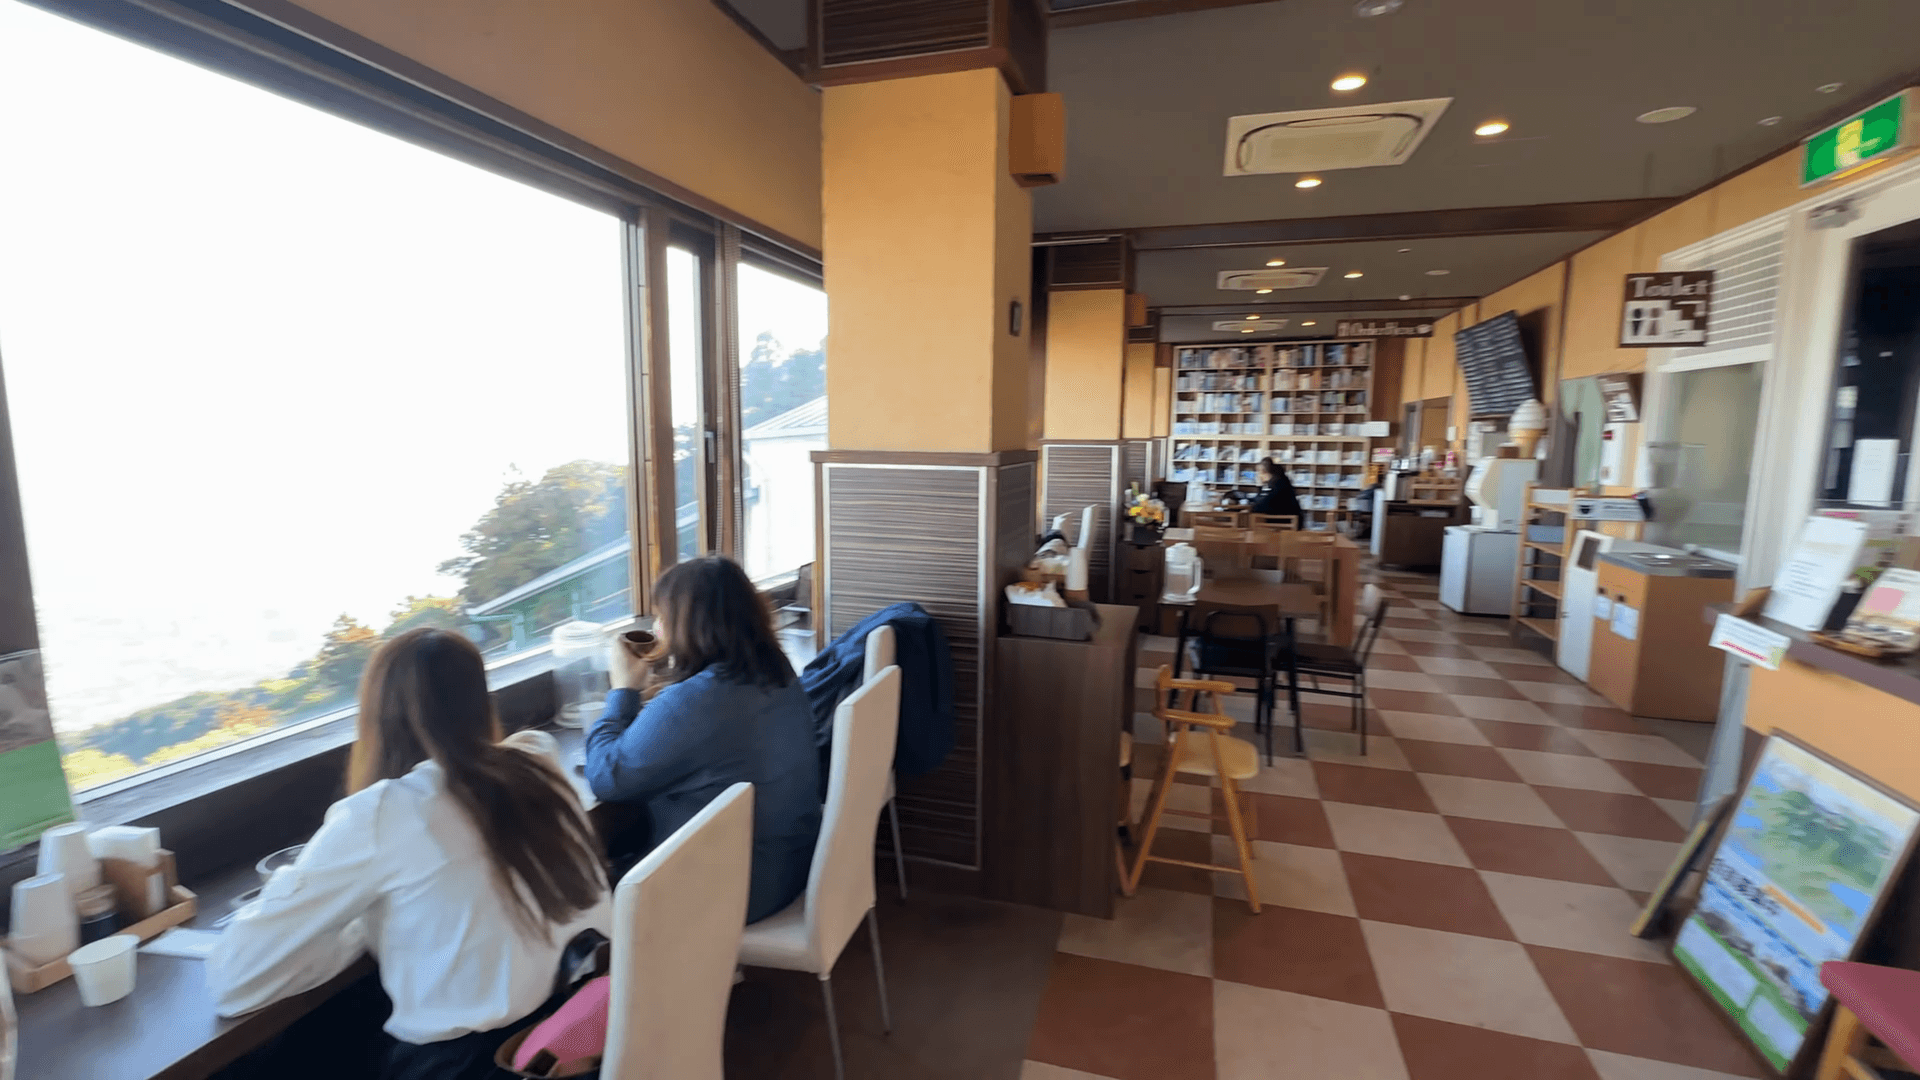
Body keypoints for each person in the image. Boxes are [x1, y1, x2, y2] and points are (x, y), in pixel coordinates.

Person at [208, 629, 611, 1080]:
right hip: (572, 1042)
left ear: (380, 717)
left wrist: (323, 904)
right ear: (480, 701)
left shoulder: (383, 814)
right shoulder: (538, 761)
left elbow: (235, 983)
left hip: (466, 1066)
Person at [585, 555, 821, 924]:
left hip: (738, 891)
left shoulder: (696, 702)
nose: (659, 629)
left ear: (688, 624)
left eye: (663, 617)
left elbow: (607, 777)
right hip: (791, 864)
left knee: (582, 895)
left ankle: (643, 979)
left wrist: (622, 690)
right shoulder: (775, 668)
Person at [1248, 457, 1304, 521]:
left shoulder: (1278, 483)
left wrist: (1252, 507)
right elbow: (1261, 499)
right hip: (1278, 517)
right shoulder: (1271, 483)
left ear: (1264, 472)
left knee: (1251, 519)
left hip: (1284, 520)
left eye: (1259, 472)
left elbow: (1266, 503)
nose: (1259, 476)